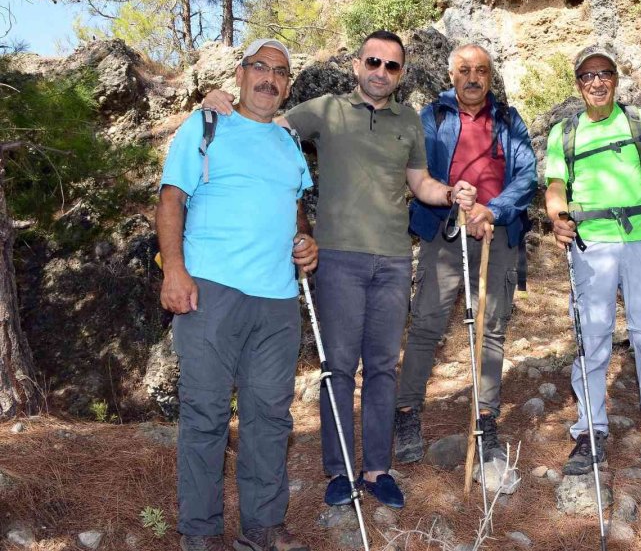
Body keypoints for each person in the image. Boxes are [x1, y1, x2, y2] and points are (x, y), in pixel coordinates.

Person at [200, 30, 476, 510]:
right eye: (373, 61)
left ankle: (377, 469)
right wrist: (219, 100)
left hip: (393, 259)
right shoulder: (325, 110)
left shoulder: (408, 121)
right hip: (337, 260)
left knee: (383, 368)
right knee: (339, 368)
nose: (381, 72)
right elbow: (266, 123)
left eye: (392, 66)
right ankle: (341, 471)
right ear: (356, 64)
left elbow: (420, 183)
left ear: (401, 74)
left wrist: (451, 193)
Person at [158, 38, 318, 551]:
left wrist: (306, 240)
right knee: (205, 414)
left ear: (287, 86)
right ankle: (200, 533)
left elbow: (295, 209)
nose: (270, 78)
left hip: (277, 300)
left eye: (281, 72)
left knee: (270, 417)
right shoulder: (206, 126)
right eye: (260, 67)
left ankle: (263, 527)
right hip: (211, 292)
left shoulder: (289, 141)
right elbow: (171, 199)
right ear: (241, 74)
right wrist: (174, 271)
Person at [543, 45, 641, 484]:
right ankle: (590, 432)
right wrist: (558, 217)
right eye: (587, 75)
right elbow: (556, 187)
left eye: (604, 73)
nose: (596, 82)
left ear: (615, 79)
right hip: (590, 243)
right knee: (592, 339)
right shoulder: (564, 132)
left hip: (640, 241)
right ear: (578, 84)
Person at [393, 43, 536, 465]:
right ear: (451, 75)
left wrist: (492, 210)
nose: (473, 78)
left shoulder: (508, 120)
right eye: (464, 70)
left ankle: (485, 419)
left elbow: (527, 175)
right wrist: (458, 203)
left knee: (492, 330)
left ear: (490, 76)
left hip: (497, 234)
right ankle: (406, 414)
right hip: (444, 232)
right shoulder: (432, 117)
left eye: (481, 71)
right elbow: (418, 172)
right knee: (426, 326)